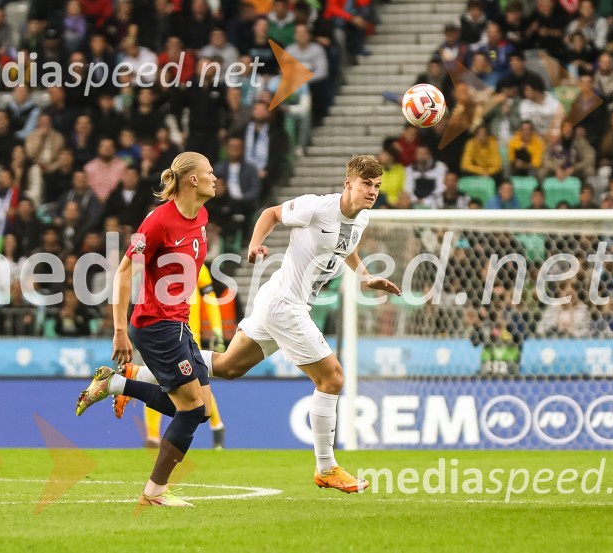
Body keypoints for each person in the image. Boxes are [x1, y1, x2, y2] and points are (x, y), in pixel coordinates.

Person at [108, 155, 399, 493]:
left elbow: (345, 245)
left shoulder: (361, 219)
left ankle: (131, 377)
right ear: (348, 183)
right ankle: (326, 467)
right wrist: (255, 243)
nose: (373, 192)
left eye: (377, 186)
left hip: (280, 301)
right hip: (284, 304)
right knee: (332, 378)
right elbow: (271, 213)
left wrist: (364, 275)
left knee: (229, 366)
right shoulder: (316, 207)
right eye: (367, 185)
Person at [75, 152, 217, 508]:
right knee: (190, 411)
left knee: (201, 410)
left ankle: (118, 383)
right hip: (156, 326)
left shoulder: (201, 215)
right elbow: (124, 273)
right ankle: (154, 492)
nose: (216, 178)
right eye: (209, 173)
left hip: (179, 324)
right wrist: (119, 330)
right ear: (192, 180)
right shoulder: (157, 223)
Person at [113, 264, 229, 450]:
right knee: (166, 382)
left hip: (187, 335)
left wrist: (217, 329)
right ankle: (152, 437)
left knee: (194, 385)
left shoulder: (196, 263)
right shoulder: (157, 262)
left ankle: (217, 427)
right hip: (161, 332)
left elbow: (209, 298)